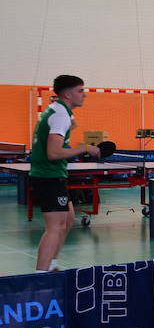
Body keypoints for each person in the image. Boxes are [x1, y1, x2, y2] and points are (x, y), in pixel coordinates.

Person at [31, 75, 102, 272]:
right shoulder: (60, 114)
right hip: (48, 175)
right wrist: (84, 148)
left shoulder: (58, 110)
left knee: (68, 218)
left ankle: (51, 266)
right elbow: (53, 153)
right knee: (55, 227)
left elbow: (64, 127)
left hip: (51, 174)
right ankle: (41, 276)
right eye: (80, 91)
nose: (84, 95)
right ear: (68, 94)